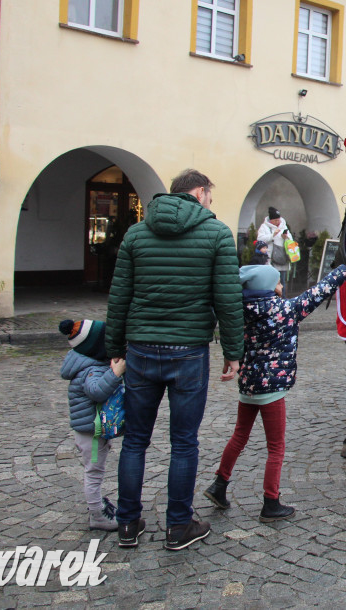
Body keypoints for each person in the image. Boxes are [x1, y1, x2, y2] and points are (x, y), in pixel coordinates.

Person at [106, 169, 243, 551]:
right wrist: (234, 352)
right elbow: (228, 300)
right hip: (188, 350)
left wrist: (115, 345)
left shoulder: (136, 233)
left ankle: (128, 524)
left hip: (142, 348)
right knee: (184, 442)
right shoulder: (216, 234)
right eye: (209, 197)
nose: (210, 203)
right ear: (199, 192)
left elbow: (119, 296)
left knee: (135, 441)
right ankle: (179, 526)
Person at [204, 248, 346, 521]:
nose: (281, 285)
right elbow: (319, 291)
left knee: (239, 436)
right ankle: (270, 503)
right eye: (277, 282)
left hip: (248, 387)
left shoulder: (240, 312)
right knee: (276, 447)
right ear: (268, 288)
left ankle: (219, 485)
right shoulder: (284, 311)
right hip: (272, 390)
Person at [59, 318, 125, 532]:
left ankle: (97, 506)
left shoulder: (83, 362)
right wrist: (115, 373)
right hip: (92, 433)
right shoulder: (92, 370)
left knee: (93, 470)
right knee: (94, 472)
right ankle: (97, 515)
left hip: (88, 431)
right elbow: (96, 391)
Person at [257, 207, 295, 288]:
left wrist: (285, 237)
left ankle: (282, 298)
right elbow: (260, 239)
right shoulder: (264, 227)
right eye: (275, 220)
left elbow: (291, 241)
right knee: (272, 282)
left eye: (278, 220)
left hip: (283, 258)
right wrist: (272, 235)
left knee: (282, 282)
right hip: (271, 259)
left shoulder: (283, 227)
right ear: (270, 220)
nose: (277, 222)